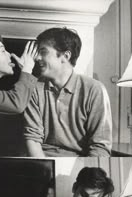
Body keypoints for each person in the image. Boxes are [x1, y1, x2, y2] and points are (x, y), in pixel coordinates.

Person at [23, 27, 112, 157]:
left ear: (65, 56)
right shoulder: (34, 88)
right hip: (42, 161)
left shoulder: (94, 89)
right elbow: (32, 139)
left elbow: (100, 146)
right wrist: (43, 170)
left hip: (82, 163)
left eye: (43, 52)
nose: (37, 58)